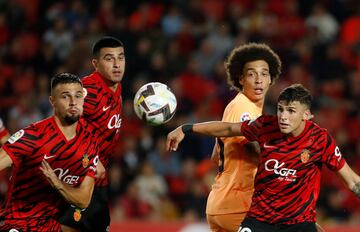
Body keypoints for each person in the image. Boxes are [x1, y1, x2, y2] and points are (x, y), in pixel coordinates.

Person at [167, 84, 360, 232]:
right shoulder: (265, 126)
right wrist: (187, 128)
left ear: (307, 115)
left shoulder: (320, 140)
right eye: (280, 109)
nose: (283, 116)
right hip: (259, 221)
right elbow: (228, 128)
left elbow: (352, 181)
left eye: (291, 111)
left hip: (298, 224)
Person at [0, 73, 99, 231]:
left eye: (78, 96)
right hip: (18, 224)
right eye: (65, 97)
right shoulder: (34, 136)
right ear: (52, 101)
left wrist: (57, 183)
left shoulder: (89, 142)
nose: (73, 102)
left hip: (50, 227)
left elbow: (83, 200)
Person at [206, 43, 281, 232]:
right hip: (238, 204)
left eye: (264, 74)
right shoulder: (243, 107)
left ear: (271, 79)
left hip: (223, 202)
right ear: (240, 79)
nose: (258, 80)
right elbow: (252, 149)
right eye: (251, 74)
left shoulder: (245, 108)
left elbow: (215, 156)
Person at [60, 36, 125, 232]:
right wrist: (91, 158)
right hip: (76, 174)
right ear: (95, 64)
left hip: (97, 180)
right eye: (109, 58)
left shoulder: (116, 88)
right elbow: (64, 124)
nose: (116, 65)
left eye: (120, 58)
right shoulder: (89, 90)